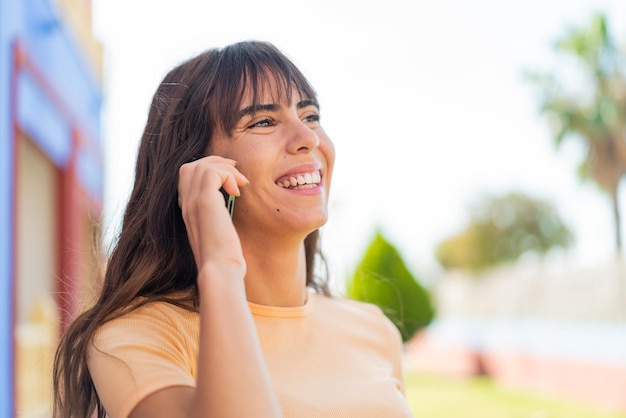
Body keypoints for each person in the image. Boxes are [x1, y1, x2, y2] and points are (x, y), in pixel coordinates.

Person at [53, 40, 414, 418]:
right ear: (196, 167)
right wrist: (221, 267)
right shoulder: (136, 336)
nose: (308, 139)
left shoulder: (374, 329)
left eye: (310, 115)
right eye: (263, 122)